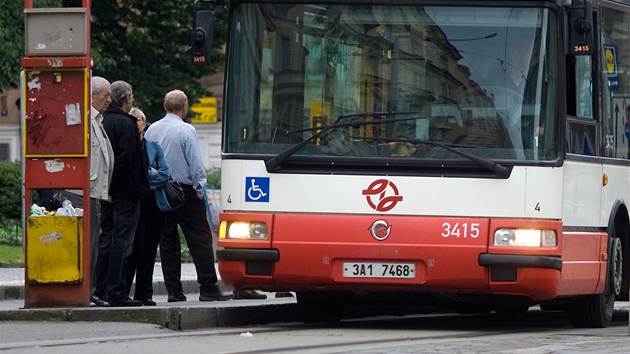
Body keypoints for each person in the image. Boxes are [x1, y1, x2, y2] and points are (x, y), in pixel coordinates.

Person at [145, 90, 233, 302]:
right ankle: (208, 287)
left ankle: (174, 291)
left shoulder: (151, 130)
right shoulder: (186, 130)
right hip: (184, 190)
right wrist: (199, 187)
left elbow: (147, 160)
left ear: (165, 107)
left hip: (160, 190)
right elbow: (195, 162)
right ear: (184, 108)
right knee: (200, 239)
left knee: (167, 242)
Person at [95, 81, 151, 307]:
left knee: (106, 239)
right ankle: (117, 291)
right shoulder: (126, 124)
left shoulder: (102, 121)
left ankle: (100, 289)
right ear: (127, 97)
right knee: (122, 240)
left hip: (105, 192)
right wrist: (116, 183)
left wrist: (107, 185)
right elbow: (127, 160)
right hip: (125, 192)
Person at [63, 76, 115, 307]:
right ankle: (85, 290)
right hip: (82, 192)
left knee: (92, 245)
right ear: (92, 95)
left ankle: (89, 291)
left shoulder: (97, 121)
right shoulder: (83, 120)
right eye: (106, 96)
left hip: (93, 192)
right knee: (87, 244)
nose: (110, 100)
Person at [125, 107, 170, 306]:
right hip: (136, 201)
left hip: (154, 201)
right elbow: (130, 175)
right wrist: (150, 175)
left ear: (145, 123)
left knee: (150, 249)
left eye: (140, 120)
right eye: (133, 120)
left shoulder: (154, 146)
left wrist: (147, 175)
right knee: (135, 247)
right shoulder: (127, 146)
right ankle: (123, 290)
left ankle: (144, 293)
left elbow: (165, 174)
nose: (137, 123)